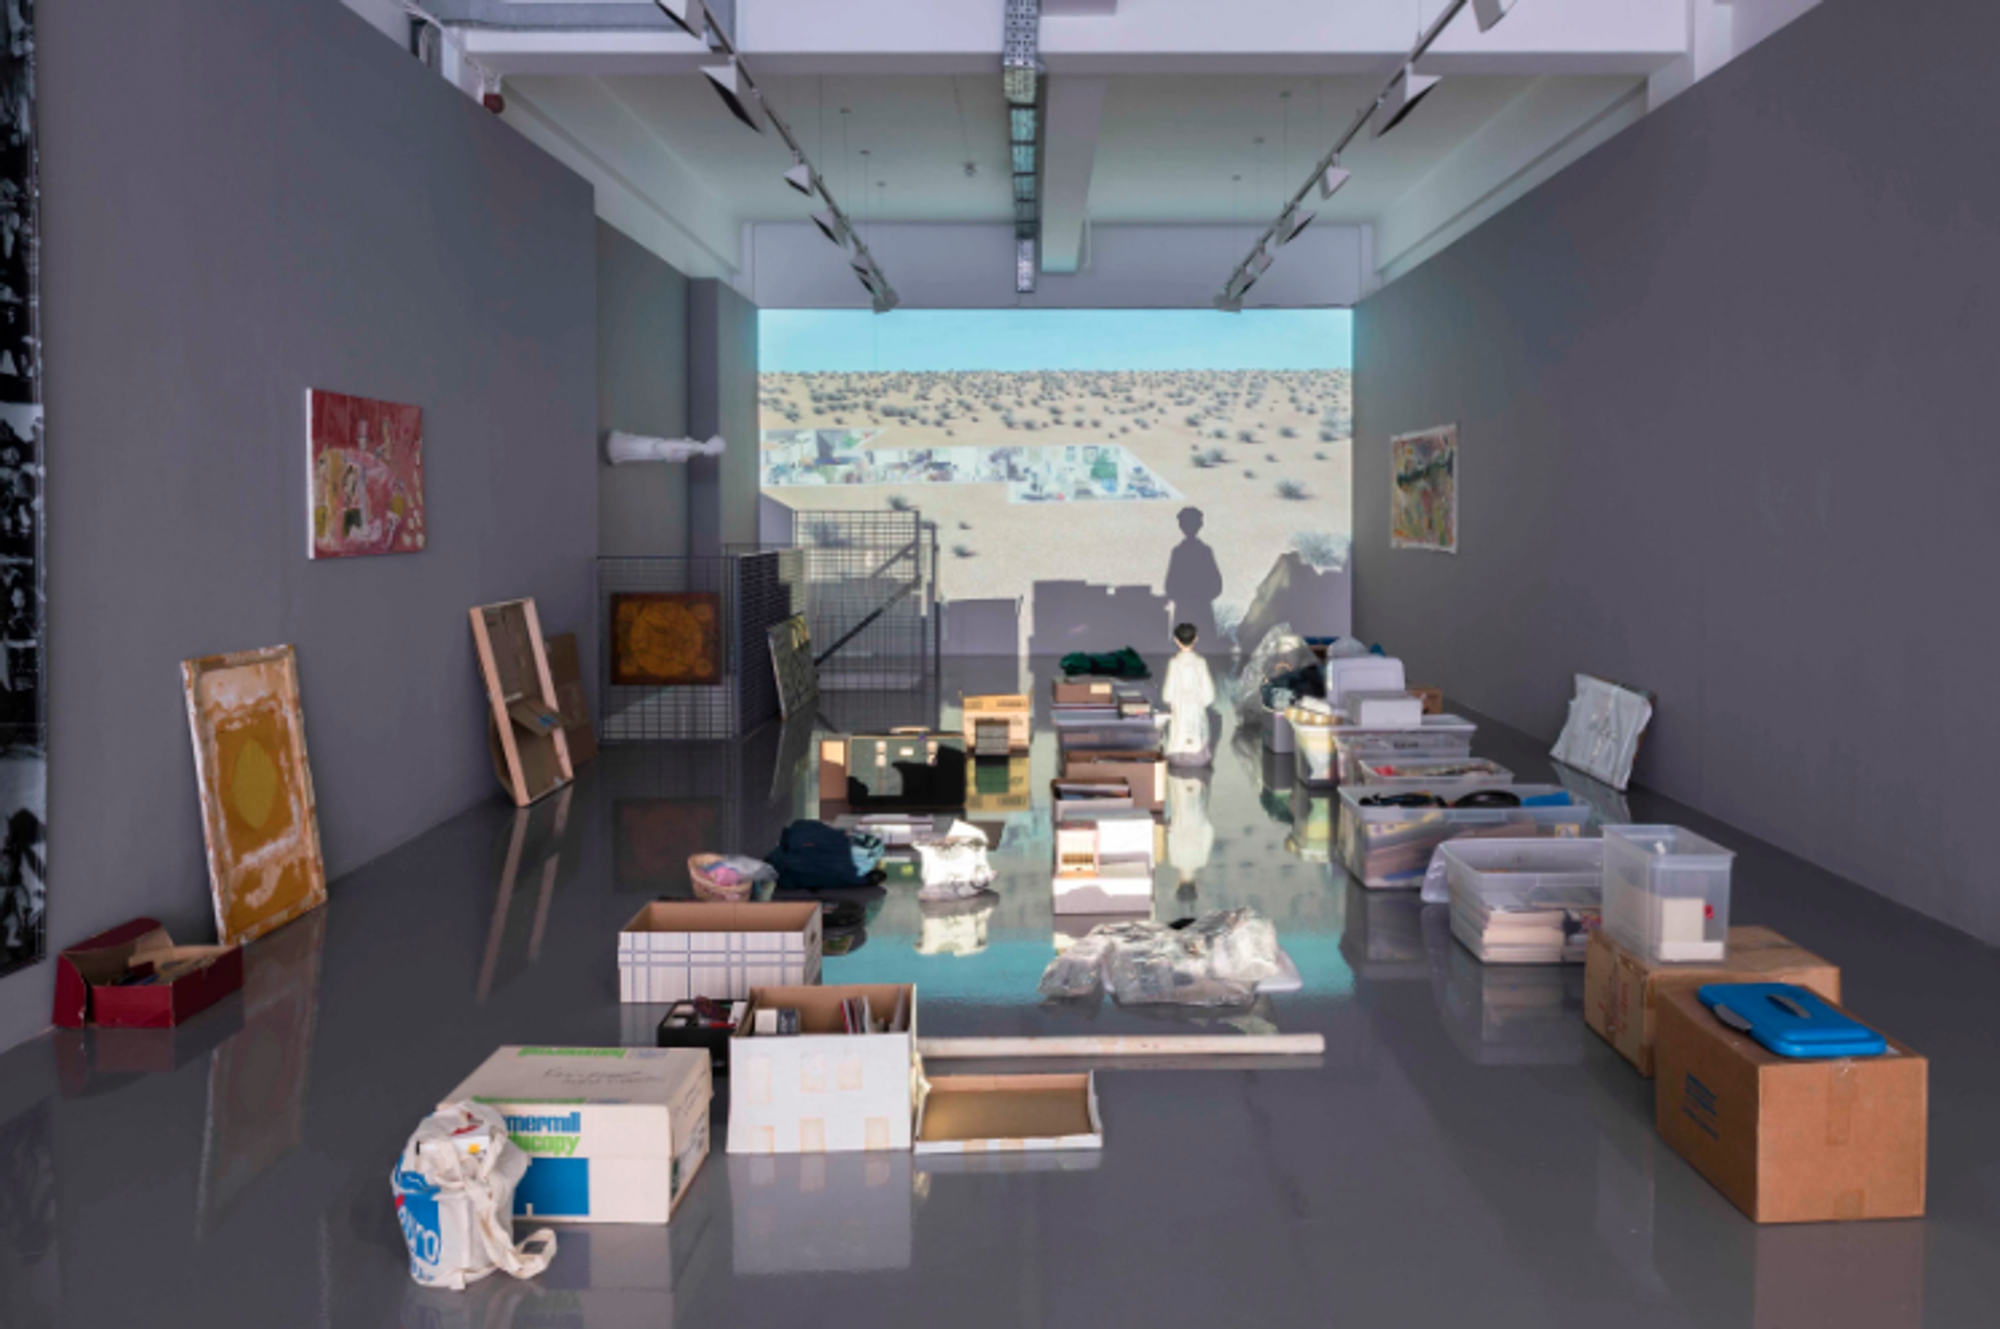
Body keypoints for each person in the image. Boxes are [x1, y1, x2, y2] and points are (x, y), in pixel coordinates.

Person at [1162, 621, 1215, 767]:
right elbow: (1209, 695)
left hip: (1179, 711)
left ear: (1176, 640)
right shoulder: (1200, 662)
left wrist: (1174, 702)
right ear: (1195, 638)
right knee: (1197, 737)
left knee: (1178, 737)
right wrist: (1199, 703)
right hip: (1197, 711)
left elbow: (1167, 695)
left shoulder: (1174, 663)